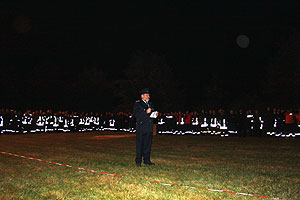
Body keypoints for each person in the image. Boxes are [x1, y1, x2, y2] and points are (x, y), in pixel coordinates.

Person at [133, 88, 158, 167]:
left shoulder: (150, 104)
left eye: (148, 95)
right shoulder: (138, 104)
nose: (148, 96)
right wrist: (145, 112)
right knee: (140, 144)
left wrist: (155, 114)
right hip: (141, 127)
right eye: (147, 95)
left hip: (149, 127)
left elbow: (151, 114)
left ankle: (147, 160)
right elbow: (136, 114)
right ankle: (138, 161)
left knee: (147, 144)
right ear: (142, 96)